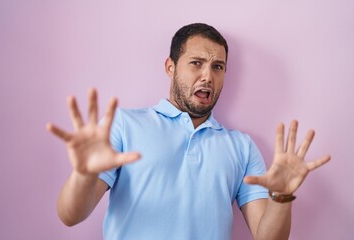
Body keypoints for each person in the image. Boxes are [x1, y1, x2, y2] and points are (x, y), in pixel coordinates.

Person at [46, 23, 331, 240]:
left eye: (218, 67)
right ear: (170, 67)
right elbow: (69, 215)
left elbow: (267, 237)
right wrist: (83, 175)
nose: (208, 75)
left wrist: (281, 197)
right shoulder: (123, 124)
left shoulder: (241, 147)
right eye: (197, 63)